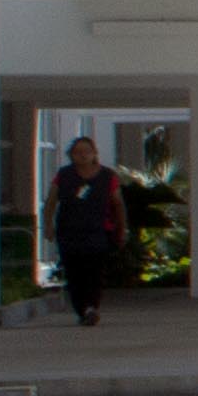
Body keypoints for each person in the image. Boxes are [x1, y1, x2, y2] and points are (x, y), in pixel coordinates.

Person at [46, 137, 131, 330]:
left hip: (98, 231)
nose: (83, 155)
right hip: (69, 232)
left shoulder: (107, 176)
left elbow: (118, 204)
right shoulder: (64, 175)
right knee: (74, 272)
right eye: (78, 152)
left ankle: (92, 307)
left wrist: (121, 228)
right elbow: (51, 201)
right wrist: (48, 225)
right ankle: (82, 309)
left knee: (94, 271)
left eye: (86, 151)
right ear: (71, 155)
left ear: (94, 154)